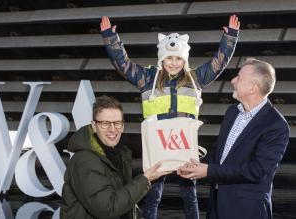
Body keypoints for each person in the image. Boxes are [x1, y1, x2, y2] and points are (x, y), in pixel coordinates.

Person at [100, 15, 240, 219]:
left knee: (189, 194)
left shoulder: (196, 79)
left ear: (185, 60)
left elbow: (218, 63)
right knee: (153, 195)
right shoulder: (147, 79)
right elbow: (123, 64)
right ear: (161, 59)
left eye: (178, 58)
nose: (174, 63)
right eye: (169, 58)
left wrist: (230, 39)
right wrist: (111, 38)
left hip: (183, 144)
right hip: (157, 145)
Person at [177, 58, 290, 219]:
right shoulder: (232, 112)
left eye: (239, 77)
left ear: (253, 88)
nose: (233, 80)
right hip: (216, 206)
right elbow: (220, 156)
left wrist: (208, 171)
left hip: (246, 210)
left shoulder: (276, 125)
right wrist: (194, 163)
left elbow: (256, 171)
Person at [60, 95, 170, 219]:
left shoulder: (119, 155)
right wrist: (145, 180)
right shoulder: (84, 161)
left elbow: (126, 204)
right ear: (94, 126)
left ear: (123, 126)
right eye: (105, 123)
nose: (112, 129)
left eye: (117, 123)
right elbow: (107, 208)